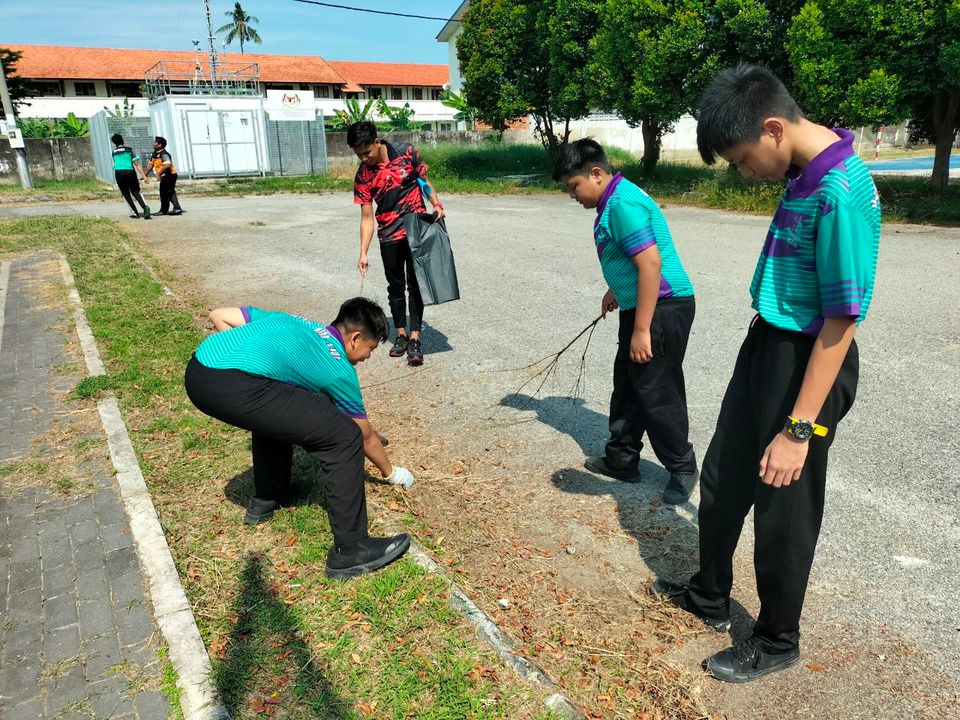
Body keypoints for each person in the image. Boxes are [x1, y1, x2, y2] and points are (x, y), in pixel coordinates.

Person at [653, 65, 880, 683]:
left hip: (809, 360)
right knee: (725, 475)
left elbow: (840, 323)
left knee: (784, 505)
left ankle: (778, 639)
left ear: (774, 128)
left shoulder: (840, 189)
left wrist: (798, 428)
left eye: (743, 159)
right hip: (767, 344)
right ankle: (709, 592)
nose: (744, 173)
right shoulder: (804, 171)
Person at [184, 297, 415, 580]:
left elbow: (219, 315)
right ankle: (352, 549)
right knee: (344, 436)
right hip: (231, 383)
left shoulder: (294, 321)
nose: (367, 357)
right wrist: (392, 473)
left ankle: (269, 497)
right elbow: (365, 436)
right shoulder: (337, 366)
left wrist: (248, 359)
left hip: (200, 368)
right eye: (370, 349)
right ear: (355, 338)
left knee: (278, 402)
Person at [553, 139, 698, 505]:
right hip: (644, 304)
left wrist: (643, 329)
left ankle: (682, 466)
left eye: (574, 187)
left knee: (656, 389)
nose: (573, 196)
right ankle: (621, 459)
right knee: (629, 383)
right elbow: (630, 260)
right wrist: (615, 289)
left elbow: (650, 264)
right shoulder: (613, 200)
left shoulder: (622, 205)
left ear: (597, 174)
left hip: (663, 307)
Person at [348, 121, 444, 366]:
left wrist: (436, 203)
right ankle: (400, 335)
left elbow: (424, 181)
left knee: (416, 285)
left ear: (377, 142)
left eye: (366, 152)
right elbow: (367, 217)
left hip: (415, 229)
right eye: (359, 154)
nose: (364, 158)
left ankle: (415, 338)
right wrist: (363, 252)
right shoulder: (363, 175)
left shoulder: (406, 153)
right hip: (388, 234)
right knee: (395, 286)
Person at [110, 133, 151, 219]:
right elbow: (137, 164)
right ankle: (145, 207)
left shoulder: (113, 152)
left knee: (125, 194)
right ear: (123, 140)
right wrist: (144, 176)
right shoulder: (129, 150)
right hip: (130, 172)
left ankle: (135, 213)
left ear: (114, 143)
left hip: (119, 173)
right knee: (136, 191)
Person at [147, 136, 183, 216]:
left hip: (170, 175)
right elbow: (150, 164)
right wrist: (145, 174)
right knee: (166, 192)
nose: (153, 143)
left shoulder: (164, 154)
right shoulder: (154, 154)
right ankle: (168, 209)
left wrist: (158, 174)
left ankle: (173, 209)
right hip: (164, 176)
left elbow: (167, 165)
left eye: (155, 142)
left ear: (160, 145)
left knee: (168, 192)